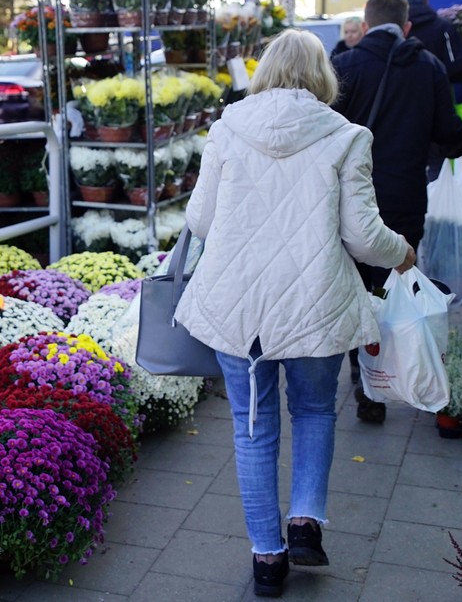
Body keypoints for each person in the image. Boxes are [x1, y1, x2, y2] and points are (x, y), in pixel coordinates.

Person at [174, 29, 416, 599]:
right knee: (313, 411)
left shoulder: (226, 128)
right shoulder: (347, 135)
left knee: (252, 428)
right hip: (316, 302)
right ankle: (305, 522)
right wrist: (402, 252)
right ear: (322, 75)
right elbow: (362, 236)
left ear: (264, 72)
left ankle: (267, 559)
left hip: (238, 309)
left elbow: (202, 222)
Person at [331, 0, 462, 423]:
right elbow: (450, 133)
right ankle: (403, 373)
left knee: (358, 289)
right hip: (407, 199)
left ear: (366, 26)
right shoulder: (429, 67)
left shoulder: (347, 65)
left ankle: (367, 384)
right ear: (407, 27)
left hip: (353, 204)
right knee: (393, 288)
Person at [399, 0, 462, 179]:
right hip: (438, 104)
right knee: (437, 166)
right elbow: (457, 65)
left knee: (411, 163)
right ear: (426, 0)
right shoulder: (442, 27)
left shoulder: (400, 30)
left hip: (404, 106)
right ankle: (436, 203)